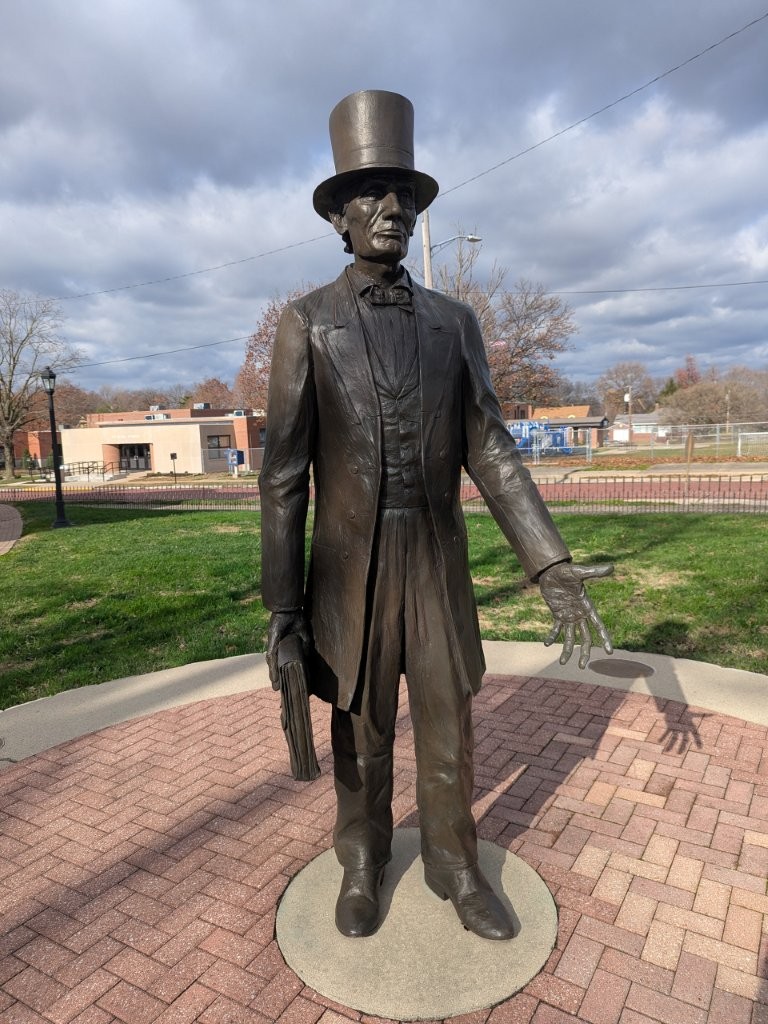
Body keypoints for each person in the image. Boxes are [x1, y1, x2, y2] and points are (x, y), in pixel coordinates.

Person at [260, 90, 613, 941]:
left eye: (405, 197)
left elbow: (491, 449)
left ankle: (456, 865)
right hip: (350, 565)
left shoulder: (457, 324)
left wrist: (549, 563)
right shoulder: (305, 324)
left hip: (435, 557)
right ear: (339, 219)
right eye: (373, 195)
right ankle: (362, 859)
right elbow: (282, 477)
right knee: (363, 725)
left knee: (451, 717)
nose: (392, 210)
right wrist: (283, 611)